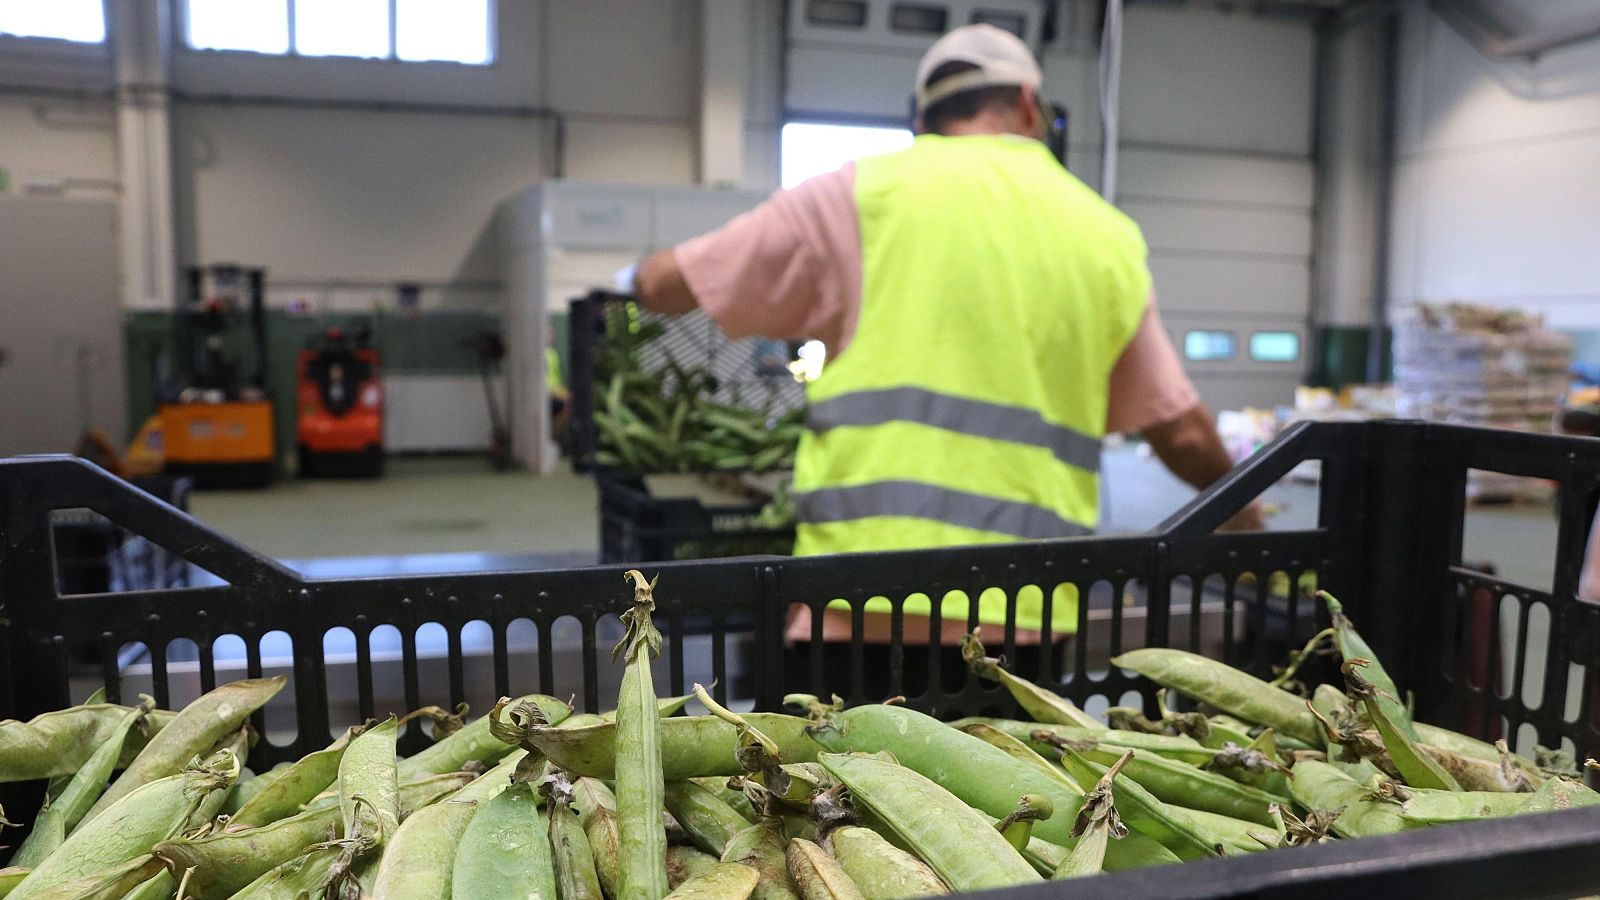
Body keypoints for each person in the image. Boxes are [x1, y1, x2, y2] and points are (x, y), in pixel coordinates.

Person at [633, 24, 1261, 697]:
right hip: (1020, 619)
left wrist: (635, 271)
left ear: (921, 119)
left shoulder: (861, 194)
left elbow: (672, 285)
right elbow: (1181, 429)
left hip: (854, 604)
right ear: (1027, 103)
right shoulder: (1103, 233)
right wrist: (1247, 520)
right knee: (1006, 801)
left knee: (830, 798)